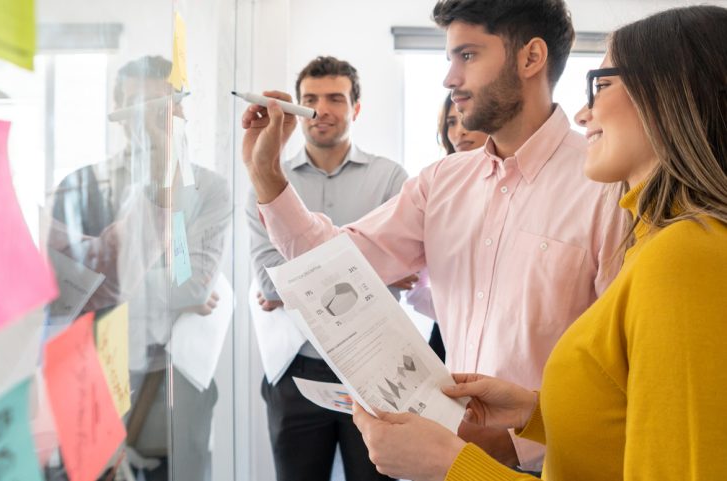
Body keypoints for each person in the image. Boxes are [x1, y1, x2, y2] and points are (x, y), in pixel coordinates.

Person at [240, 0, 627, 471]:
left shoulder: (605, 184)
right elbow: (333, 265)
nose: (449, 79)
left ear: (531, 58)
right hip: (447, 460)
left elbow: (623, 373)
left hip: (561, 465)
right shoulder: (441, 182)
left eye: (467, 56)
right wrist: (267, 176)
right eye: (449, 59)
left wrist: (514, 445)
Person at [352, 5, 727, 480]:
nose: (584, 110)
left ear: (671, 97)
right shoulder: (658, 243)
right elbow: (638, 420)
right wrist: (534, 413)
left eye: (603, 84)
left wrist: (451, 466)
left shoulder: (686, 258)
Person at [47, 55, 230, 481]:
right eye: (136, 106)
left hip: (175, 378)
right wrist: (166, 289)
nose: (149, 119)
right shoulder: (80, 186)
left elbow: (194, 287)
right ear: (116, 112)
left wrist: (119, 282)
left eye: (160, 105)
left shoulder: (207, 189)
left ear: (180, 109)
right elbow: (68, 293)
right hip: (94, 374)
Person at [247, 56, 411, 481]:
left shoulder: (391, 178)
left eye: (336, 98)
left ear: (356, 108)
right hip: (295, 370)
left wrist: (297, 282)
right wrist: (367, 271)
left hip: (376, 372)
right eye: (310, 99)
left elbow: (401, 268)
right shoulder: (264, 178)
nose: (321, 109)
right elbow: (269, 281)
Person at [408, 93, 490, 362]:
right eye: (451, 122)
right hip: (447, 334)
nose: (459, 132)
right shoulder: (434, 189)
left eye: (467, 120)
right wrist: (456, 313)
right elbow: (416, 289)